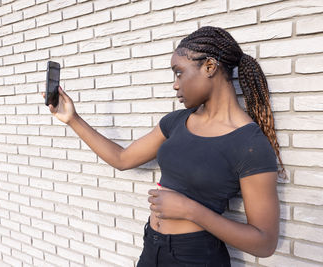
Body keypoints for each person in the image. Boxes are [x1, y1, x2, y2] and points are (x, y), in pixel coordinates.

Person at [43, 26, 284, 266]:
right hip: (152, 247)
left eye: (179, 73)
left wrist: (191, 210)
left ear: (210, 67)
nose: (175, 85)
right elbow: (122, 159)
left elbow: (264, 243)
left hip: (197, 257)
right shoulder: (177, 121)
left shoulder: (249, 144)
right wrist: (73, 119)